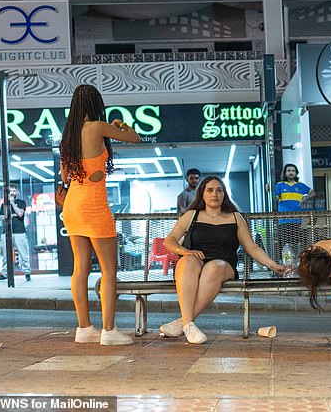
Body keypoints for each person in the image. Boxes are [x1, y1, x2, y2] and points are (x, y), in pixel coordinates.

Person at [160, 176, 288, 344]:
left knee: (213, 267)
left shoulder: (235, 217)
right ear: (202, 194)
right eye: (210, 190)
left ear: (224, 194)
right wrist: (184, 251)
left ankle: (184, 322)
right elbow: (169, 241)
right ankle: (188, 324)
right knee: (186, 261)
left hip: (224, 264)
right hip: (196, 259)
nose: (215, 194)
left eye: (219, 190)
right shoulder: (192, 215)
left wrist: (273, 265)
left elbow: (252, 248)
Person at [59, 84, 141, 346]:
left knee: (79, 268)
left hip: (72, 205)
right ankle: (109, 331)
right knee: (109, 270)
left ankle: (84, 328)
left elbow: (65, 177)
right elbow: (135, 138)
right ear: (96, 104)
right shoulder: (99, 126)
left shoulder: (68, 135)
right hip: (94, 204)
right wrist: (122, 125)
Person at [275, 163, 314, 259]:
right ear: (285, 173)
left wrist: (304, 199)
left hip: (297, 221)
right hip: (284, 221)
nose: (291, 173)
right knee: (284, 245)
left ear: (296, 173)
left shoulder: (300, 185)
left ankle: (298, 263)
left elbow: (312, 193)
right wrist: (268, 190)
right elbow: (274, 198)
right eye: (289, 171)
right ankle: (287, 265)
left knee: (298, 244)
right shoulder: (280, 185)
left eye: (293, 171)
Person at [0, 183, 31, 282]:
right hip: (6, 233)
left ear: (17, 192)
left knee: (23, 253)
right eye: (10, 191)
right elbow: (1, 217)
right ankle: (4, 273)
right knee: (6, 255)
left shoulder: (21, 202)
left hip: (19, 232)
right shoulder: (3, 204)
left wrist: (12, 203)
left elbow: (20, 213)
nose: (12, 193)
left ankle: (27, 272)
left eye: (14, 191)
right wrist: (10, 216)